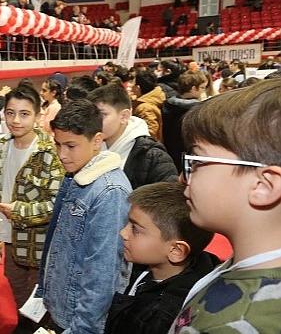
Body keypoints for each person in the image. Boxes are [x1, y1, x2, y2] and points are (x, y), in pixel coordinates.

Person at [170, 79, 281, 333]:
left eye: (197, 162)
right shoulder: (249, 266)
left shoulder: (236, 323)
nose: (182, 177)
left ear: (263, 186)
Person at [35, 99, 132, 333]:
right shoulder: (76, 174)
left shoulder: (110, 192)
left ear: (97, 140)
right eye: (57, 145)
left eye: (70, 146)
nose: (62, 154)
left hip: (78, 320)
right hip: (61, 306)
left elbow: (103, 274)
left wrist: (82, 328)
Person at [0, 86, 64, 306]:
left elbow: (57, 203)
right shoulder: (2, 145)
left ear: (38, 116)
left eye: (24, 114)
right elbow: (0, 186)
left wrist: (18, 211)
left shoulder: (49, 152)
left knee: (36, 302)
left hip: (37, 242)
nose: (15, 120)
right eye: (10, 113)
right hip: (7, 237)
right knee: (14, 294)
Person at [105, 182, 218, 334]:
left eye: (136, 229)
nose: (123, 233)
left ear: (176, 250)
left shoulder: (165, 317)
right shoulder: (146, 267)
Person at [88, 83, 178, 189]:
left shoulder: (152, 155)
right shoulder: (91, 146)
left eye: (102, 115)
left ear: (124, 116)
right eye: (91, 115)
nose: (94, 121)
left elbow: (168, 198)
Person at [162, 71, 205, 169]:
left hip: (172, 155)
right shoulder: (195, 110)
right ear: (194, 89)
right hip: (189, 158)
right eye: (202, 87)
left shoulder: (169, 104)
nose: (203, 91)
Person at [132, 70, 166, 141]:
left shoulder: (145, 108)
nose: (132, 87)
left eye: (133, 84)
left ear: (138, 87)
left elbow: (151, 133)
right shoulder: (156, 97)